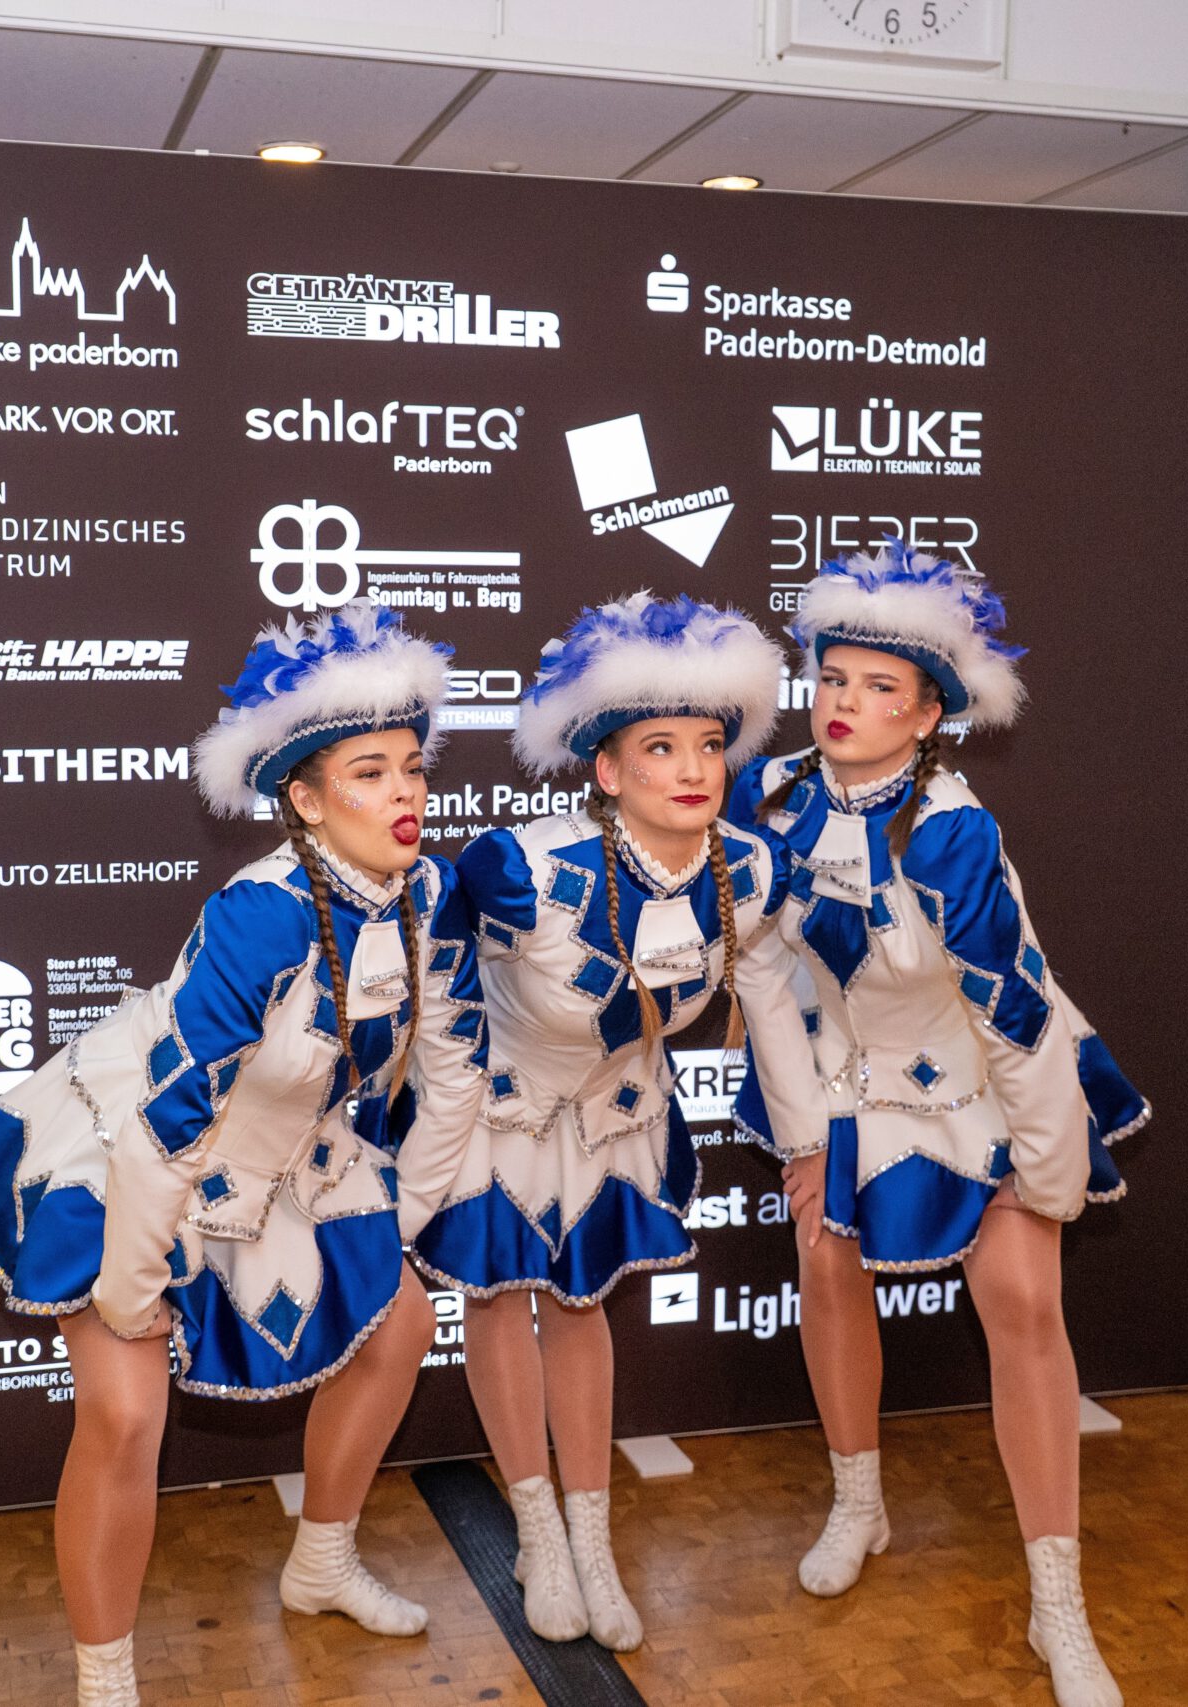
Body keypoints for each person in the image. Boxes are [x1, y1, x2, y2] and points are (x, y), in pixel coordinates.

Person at [0, 604, 489, 1707]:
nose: (405, 793)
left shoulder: (432, 899)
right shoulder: (258, 916)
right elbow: (171, 1123)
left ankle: (322, 1564)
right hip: (136, 1156)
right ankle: (106, 1680)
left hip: (293, 1151)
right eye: (369, 774)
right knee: (126, 1413)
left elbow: (456, 1075)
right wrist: (131, 1291)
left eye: (413, 768)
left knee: (401, 1323)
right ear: (306, 800)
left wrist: (399, 1226)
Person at [725, 542, 1147, 1707]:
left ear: (924, 718)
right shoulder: (767, 802)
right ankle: (857, 1504)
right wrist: (806, 1140)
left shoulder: (953, 834)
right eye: (833, 678)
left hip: (978, 1075)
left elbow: (1013, 1009)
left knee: (1023, 1300)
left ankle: (1057, 1604)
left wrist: (1045, 1169)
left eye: (879, 689)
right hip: (844, 1074)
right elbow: (758, 975)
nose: (844, 703)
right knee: (824, 1261)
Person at [413, 592, 827, 1651]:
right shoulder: (517, 868)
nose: (693, 770)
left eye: (708, 747)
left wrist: (808, 1146)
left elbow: (768, 1003)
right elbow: (428, 986)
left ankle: (591, 1537)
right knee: (500, 1295)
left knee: (583, 1301)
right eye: (659, 748)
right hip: (500, 1110)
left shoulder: (752, 869)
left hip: (617, 1113)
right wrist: (413, 1149)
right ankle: (538, 1531)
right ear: (606, 769)